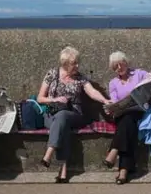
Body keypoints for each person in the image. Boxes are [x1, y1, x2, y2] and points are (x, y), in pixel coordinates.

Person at [36, 46, 112, 183]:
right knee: (61, 123)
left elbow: (92, 92)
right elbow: (40, 98)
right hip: (51, 114)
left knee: (63, 116)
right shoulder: (52, 74)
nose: (77, 65)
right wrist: (55, 99)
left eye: (78, 62)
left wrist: (105, 100)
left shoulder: (80, 78)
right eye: (74, 63)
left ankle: (49, 153)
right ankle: (63, 169)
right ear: (65, 64)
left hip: (75, 115)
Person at [102, 51, 150, 185]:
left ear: (126, 62)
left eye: (120, 63)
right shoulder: (113, 83)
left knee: (127, 122)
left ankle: (114, 152)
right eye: (115, 66)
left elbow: (150, 80)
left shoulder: (139, 73)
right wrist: (112, 107)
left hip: (139, 111)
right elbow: (115, 101)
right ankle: (123, 171)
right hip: (124, 115)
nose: (119, 67)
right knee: (127, 122)